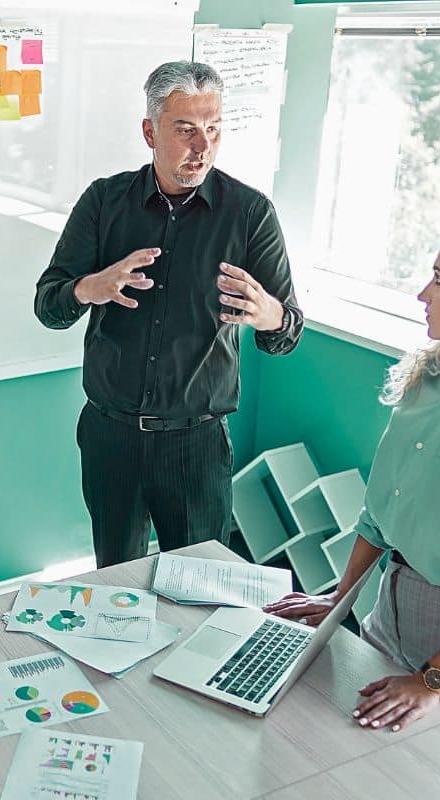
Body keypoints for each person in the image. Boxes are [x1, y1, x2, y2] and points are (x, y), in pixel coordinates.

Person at [34, 61, 303, 568]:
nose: (202, 147)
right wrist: (92, 287)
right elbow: (49, 305)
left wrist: (269, 313)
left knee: (202, 589)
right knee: (117, 585)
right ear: (149, 131)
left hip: (196, 444)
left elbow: (285, 333)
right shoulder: (103, 202)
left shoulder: (250, 213)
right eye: (185, 130)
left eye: (213, 129)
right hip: (110, 435)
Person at [265, 208, 440, 728]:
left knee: (434, 795)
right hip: (387, 606)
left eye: (439, 280)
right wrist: (339, 603)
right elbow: (378, 514)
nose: (422, 295)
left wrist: (433, 680)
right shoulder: (426, 379)